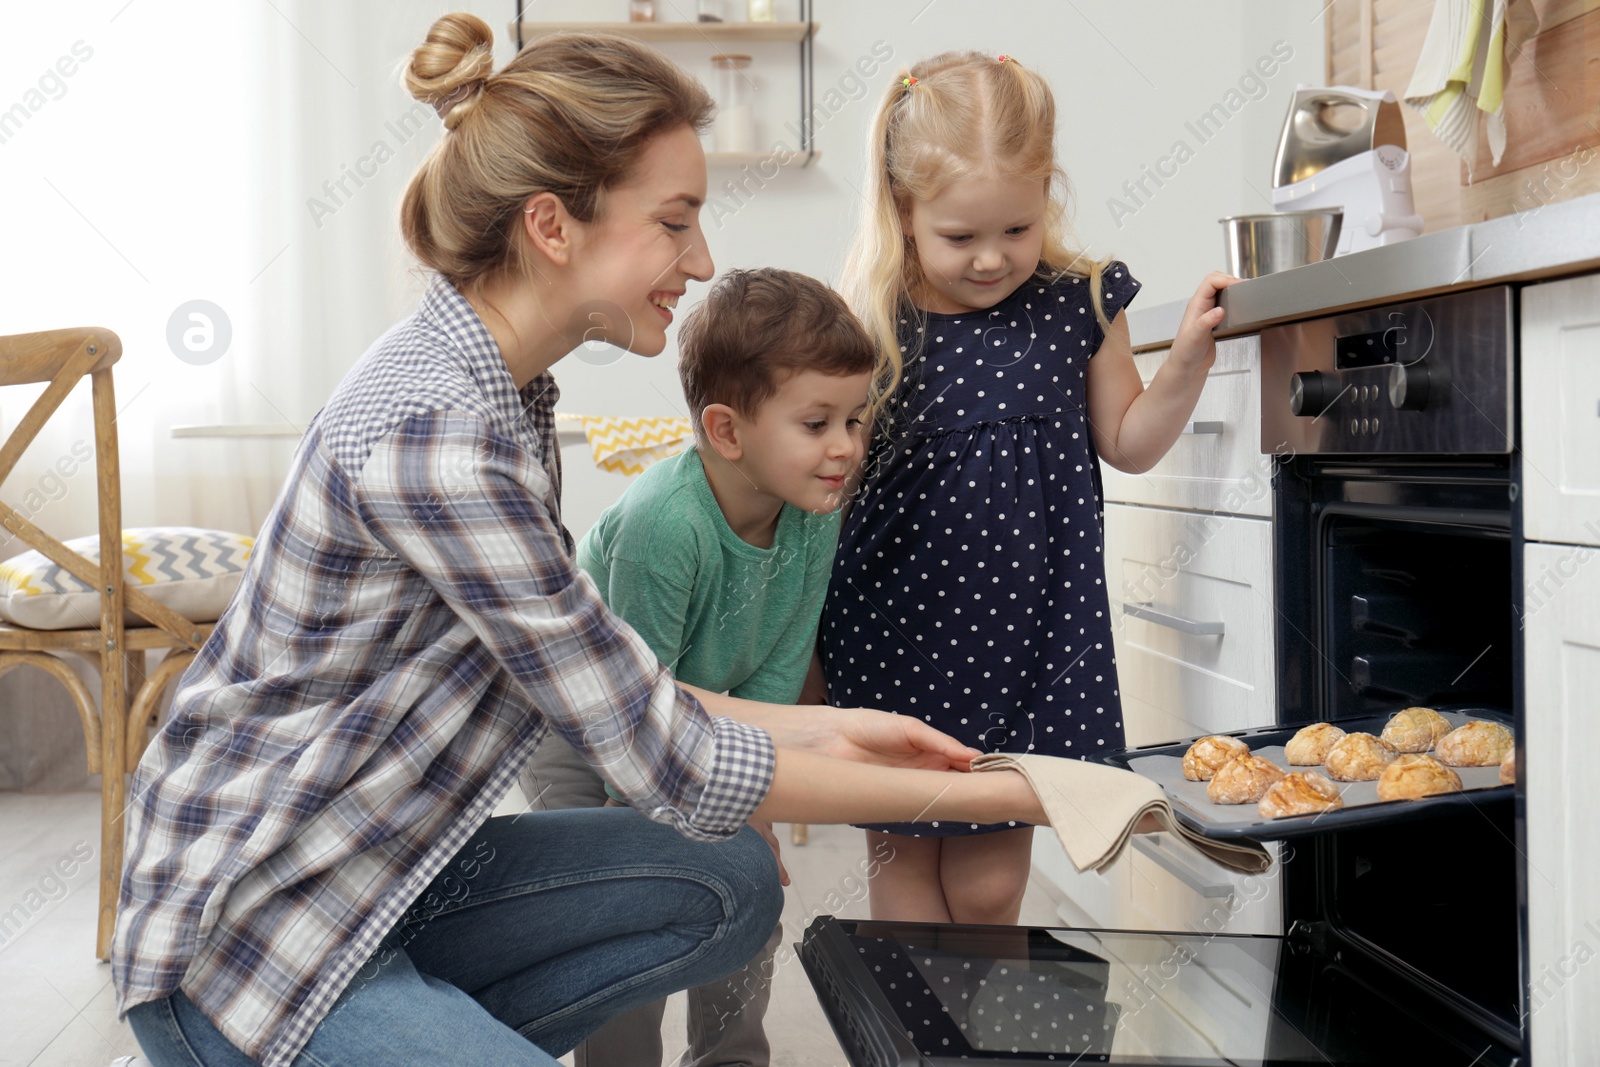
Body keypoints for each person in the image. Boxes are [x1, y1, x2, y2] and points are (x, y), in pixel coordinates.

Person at [110, 18, 1048, 1067]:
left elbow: (620, 686)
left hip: (384, 883)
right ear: (553, 226)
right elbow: (673, 760)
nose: (700, 260)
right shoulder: (439, 434)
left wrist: (847, 727)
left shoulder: (499, 393)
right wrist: (1021, 791)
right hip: (249, 946)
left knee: (730, 875)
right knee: (714, 829)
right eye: (675, 222)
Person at [821, 50, 1237, 927]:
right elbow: (831, 485)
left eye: (1013, 229)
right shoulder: (873, 314)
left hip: (1028, 644)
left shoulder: (1079, 301)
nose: (989, 259)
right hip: (893, 630)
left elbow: (1127, 441)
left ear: (1046, 191)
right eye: (959, 237)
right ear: (904, 210)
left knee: (987, 884)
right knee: (903, 877)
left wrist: (1191, 358)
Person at [519, 267, 873, 1067]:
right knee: (627, 917)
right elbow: (631, 722)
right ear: (726, 429)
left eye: (854, 418)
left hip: (702, 730)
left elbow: (780, 668)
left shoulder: (818, 511)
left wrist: (756, 809)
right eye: (817, 422)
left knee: (751, 896)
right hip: (590, 739)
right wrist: (676, 835)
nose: (846, 447)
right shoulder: (663, 526)